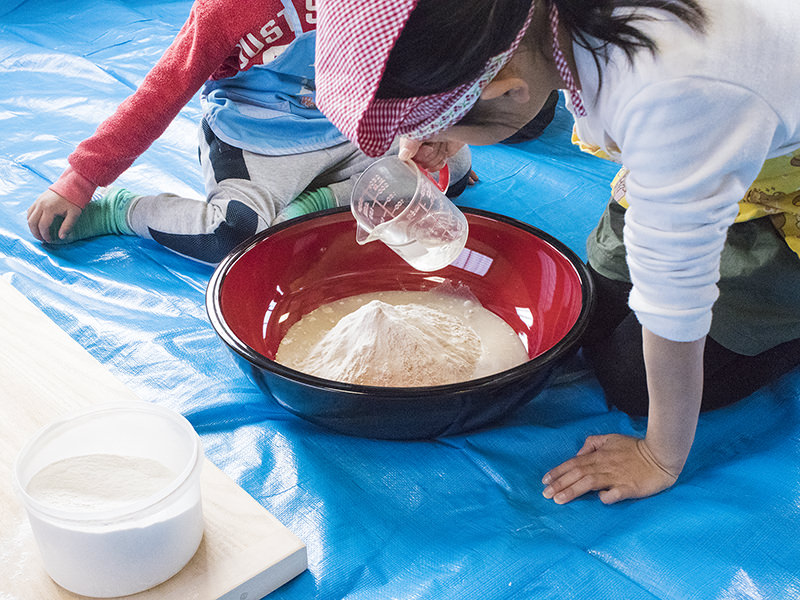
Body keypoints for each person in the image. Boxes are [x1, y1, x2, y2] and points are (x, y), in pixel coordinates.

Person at [313, 0, 800, 503]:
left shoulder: (679, 101)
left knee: (632, 381)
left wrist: (660, 455)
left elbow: (676, 301)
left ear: (508, 89)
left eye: (446, 126)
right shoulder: (546, 25)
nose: (433, 139)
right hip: (714, 147)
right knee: (588, 312)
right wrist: (450, 130)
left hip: (785, 195)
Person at [25, 0, 474, 264]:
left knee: (454, 163)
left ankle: (310, 205)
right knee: (234, 234)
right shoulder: (225, 9)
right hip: (258, 138)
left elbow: (412, 56)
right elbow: (161, 93)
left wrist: (432, 125)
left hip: (347, 124)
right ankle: (122, 213)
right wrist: (81, 179)